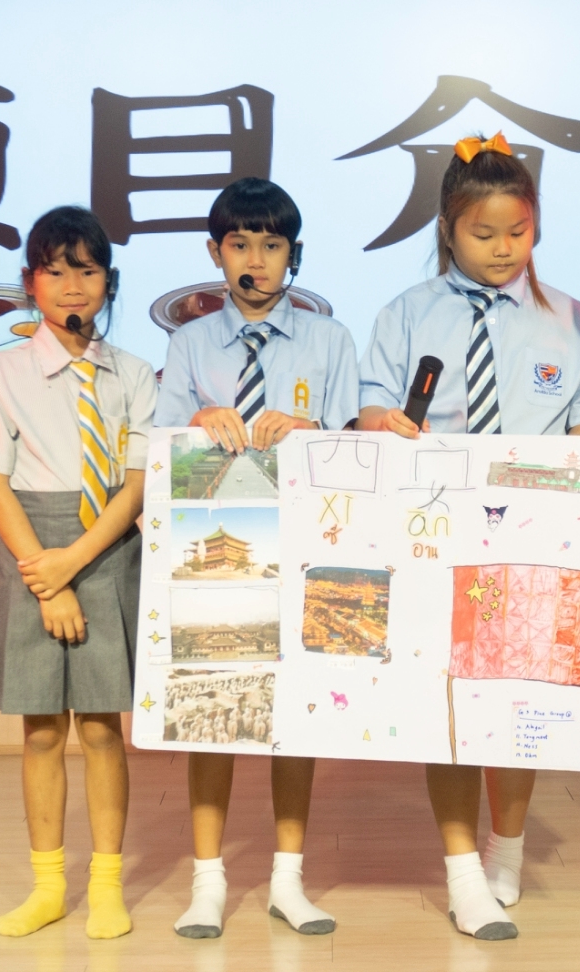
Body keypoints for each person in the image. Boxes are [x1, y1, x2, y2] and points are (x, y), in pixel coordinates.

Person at [356, 132, 580, 940]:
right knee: (450, 707)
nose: (505, 249)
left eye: (520, 232)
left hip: (538, 539)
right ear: (446, 229)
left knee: (520, 704)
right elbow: (368, 409)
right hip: (435, 533)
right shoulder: (404, 315)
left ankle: (510, 845)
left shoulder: (570, 321)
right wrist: (382, 424)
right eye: (483, 234)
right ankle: (462, 870)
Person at [155, 177, 360, 939]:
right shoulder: (186, 344)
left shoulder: (331, 341)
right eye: (240, 244)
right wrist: (200, 420)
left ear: (293, 257)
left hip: (308, 547)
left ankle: (287, 878)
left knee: (293, 717)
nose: (256, 260)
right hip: (217, 554)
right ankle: (208, 882)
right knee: (213, 708)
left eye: (271, 246)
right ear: (216, 253)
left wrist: (311, 428)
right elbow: (160, 444)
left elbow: (356, 445)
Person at [0, 206, 156, 941]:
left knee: (104, 727)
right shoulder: (0, 371)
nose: (74, 287)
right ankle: (46, 886)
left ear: (109, 280)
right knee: (42, 730)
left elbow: (136, 483)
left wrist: (78, 561)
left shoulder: (132, 372)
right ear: (30, 282)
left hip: (106, 547)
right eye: (57, 270)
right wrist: (50, 575)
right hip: (28, 552)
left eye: (89, 270)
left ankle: (107, 887)